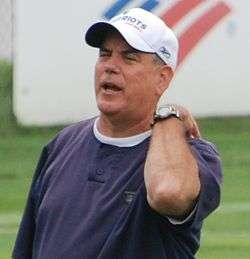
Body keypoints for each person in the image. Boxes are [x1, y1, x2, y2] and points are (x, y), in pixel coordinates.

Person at [13, 8, 222, 259]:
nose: (110, 66)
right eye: (105, 54)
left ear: (162, 78)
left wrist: (169, 116)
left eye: (129, 57)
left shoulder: (191, 155)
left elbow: (169, 193)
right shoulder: (63, 144)